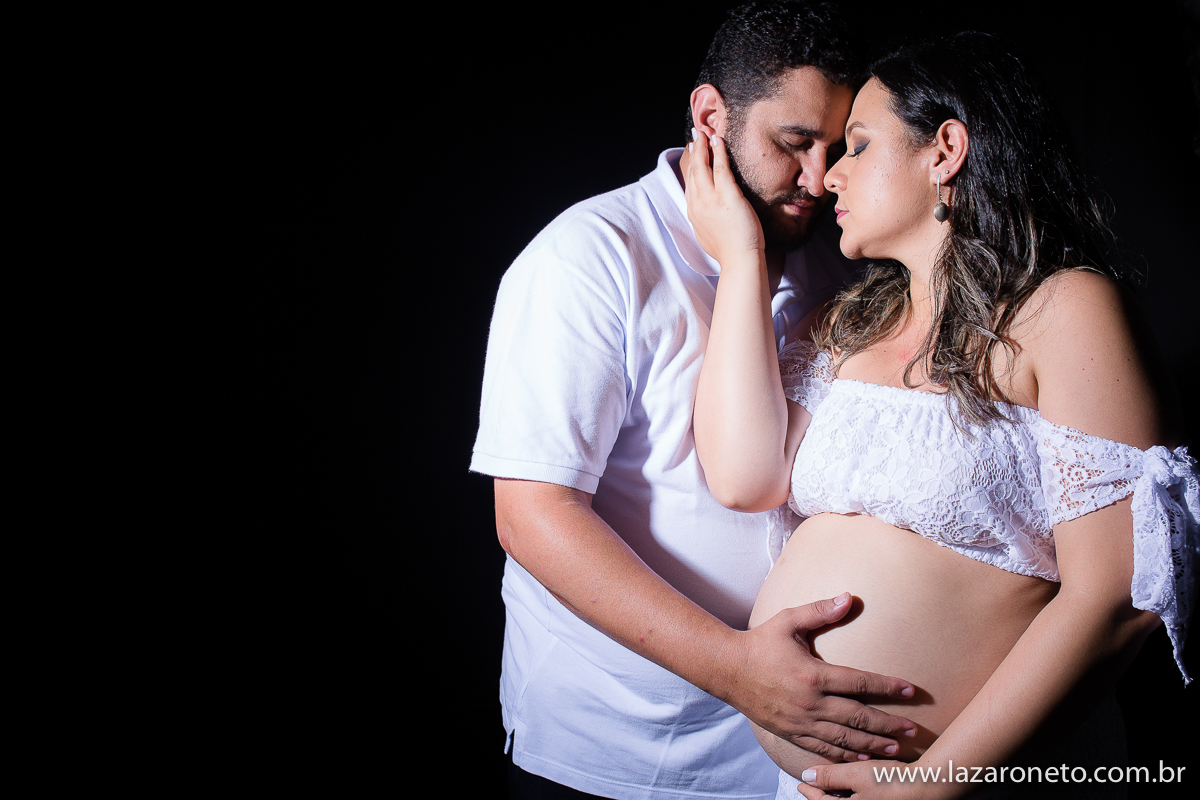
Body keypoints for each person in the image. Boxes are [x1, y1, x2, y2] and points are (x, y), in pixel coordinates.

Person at [687, 31, 1198, 799]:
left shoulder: (1066, 309)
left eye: (857, 145)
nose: (829, 178)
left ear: (946, 150)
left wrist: (935, 784)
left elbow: (1120, 593)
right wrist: (742, 260)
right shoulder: (849, 324)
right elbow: (742, 476)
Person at [471, 3, 926, 798]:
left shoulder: (833, 263)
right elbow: (533, 515)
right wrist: (736, 669)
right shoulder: (590, 257)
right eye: (793, 144)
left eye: (836, 148)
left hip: (781, 755)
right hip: (609, 748)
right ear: (710, 116)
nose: (820, 180)